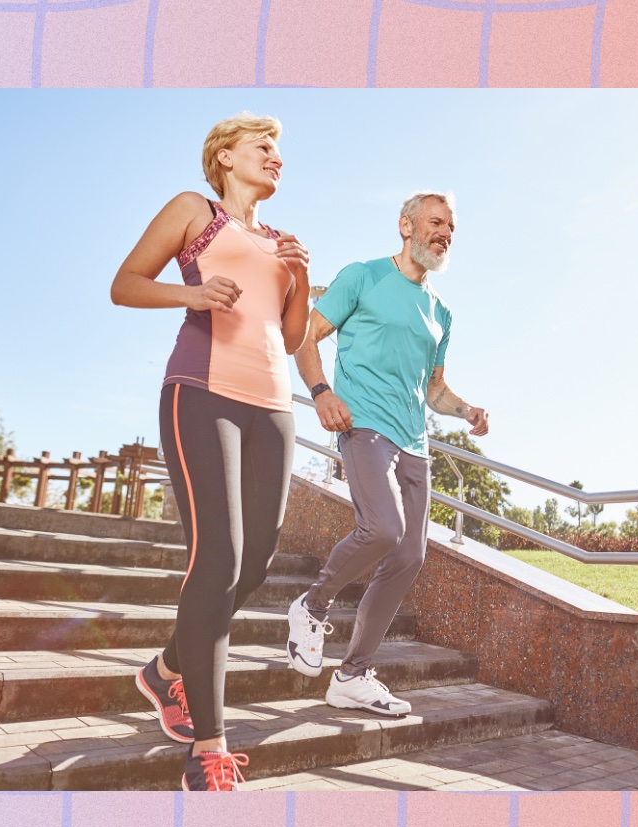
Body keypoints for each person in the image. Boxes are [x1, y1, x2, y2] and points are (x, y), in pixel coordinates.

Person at [111, 112, 311, 791]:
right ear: (225, 156)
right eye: (264, 147)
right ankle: (209, 750)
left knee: (254, 561)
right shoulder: (195, 211)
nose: (276, 158)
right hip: (202, 391)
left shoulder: (281, 239)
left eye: (279, 150)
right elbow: (125, 283)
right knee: (217, 556)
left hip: (274, 407)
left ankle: (166, 667)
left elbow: (288, 337)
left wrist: (301, 279)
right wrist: (190, 293)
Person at [289, 191, 488, 715]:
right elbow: (305, 337)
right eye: (435, 222)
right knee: (383, 529)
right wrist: (321, 392)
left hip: (414, 442)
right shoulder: (363, 276)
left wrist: (465, 410)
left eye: (451, 227)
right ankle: (311, 606)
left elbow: (435, 390)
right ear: (406, 225)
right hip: (364, 426)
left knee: (408, 556)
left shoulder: (441, 313)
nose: (444, 233)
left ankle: (352, 676)